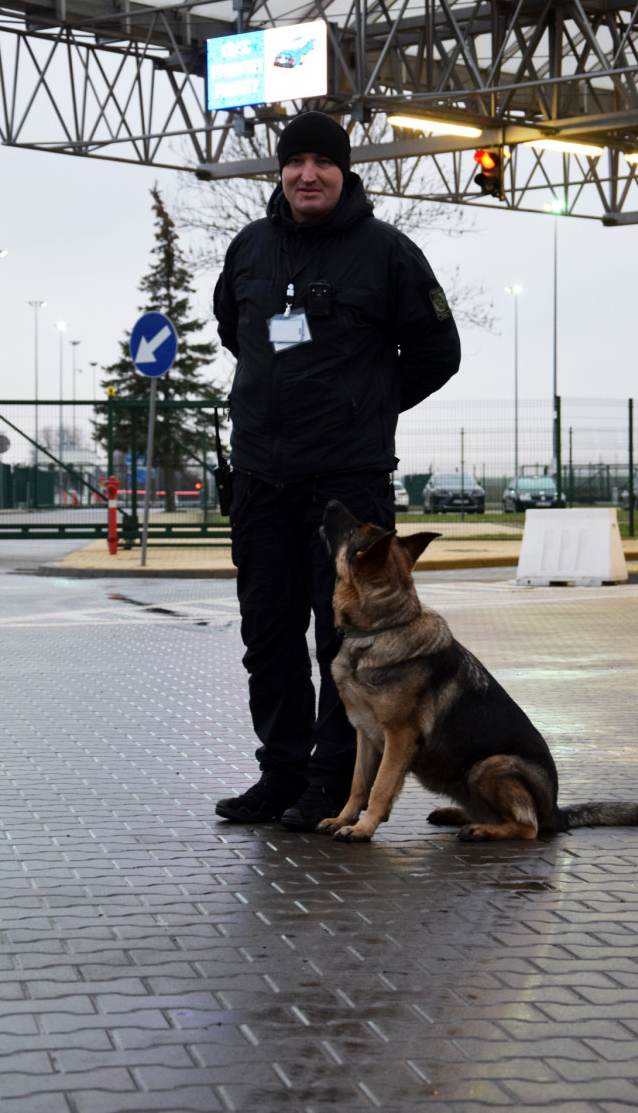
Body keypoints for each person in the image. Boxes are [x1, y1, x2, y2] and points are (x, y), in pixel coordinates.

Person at [213, 109, 461, 831]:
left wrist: (365, 405)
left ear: (345, 172)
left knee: (341, 641)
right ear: (281, 171)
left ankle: (329, 782)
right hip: (261, 477)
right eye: (296, 162)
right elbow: (237, 332)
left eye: (324, 162)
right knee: (268, 633)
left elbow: (436, 352)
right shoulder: (249, 250)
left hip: (344, 488)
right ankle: (280, 772)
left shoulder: (386, 253)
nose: (308, 174)